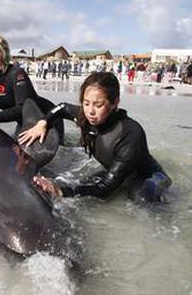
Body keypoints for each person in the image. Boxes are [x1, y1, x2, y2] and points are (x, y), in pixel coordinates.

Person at [18, 72, 171, 203]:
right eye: (86, 103)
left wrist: (61, 192)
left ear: (115, 102)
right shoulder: (86, 115)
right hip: (115, 172)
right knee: (79, 184)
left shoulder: (130, 134)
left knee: (140, 201)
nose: (90, 111)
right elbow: (62, 107)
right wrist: (42, 123)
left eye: (98, 105)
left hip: (147, 177)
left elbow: (105, 189)